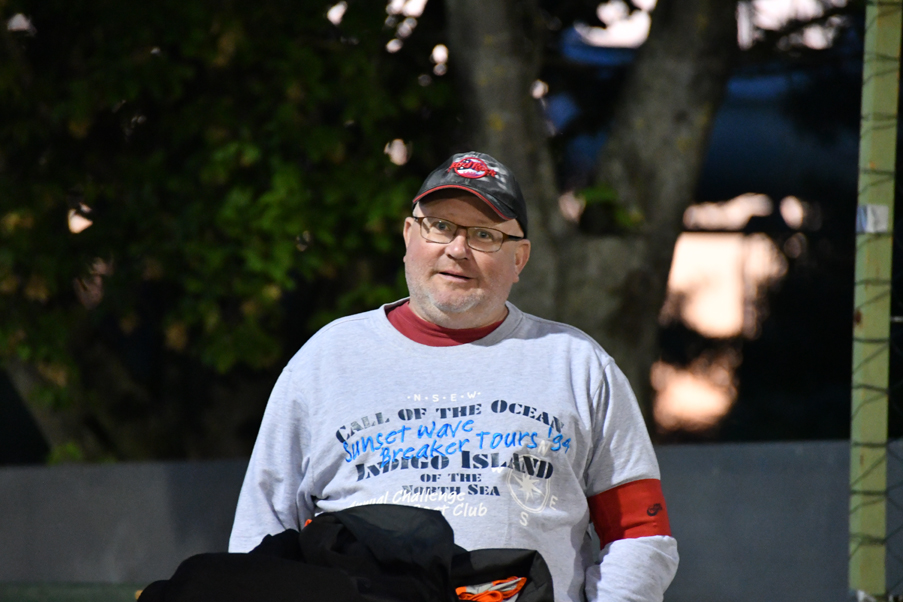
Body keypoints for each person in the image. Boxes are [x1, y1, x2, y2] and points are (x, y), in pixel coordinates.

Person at [229, 152, 679, 601]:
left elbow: (639, 533)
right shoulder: (326, 360)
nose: (458, 249)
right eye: (440, 226)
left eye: (484, 235)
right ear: (409, 235)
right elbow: (262, 532)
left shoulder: (577, 366)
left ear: (520, 258)